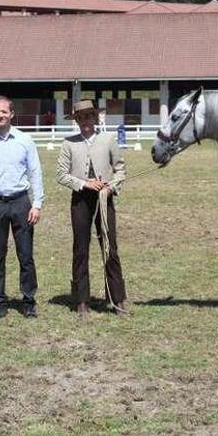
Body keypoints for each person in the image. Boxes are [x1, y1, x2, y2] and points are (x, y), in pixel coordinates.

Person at [0, 96, 44, 319]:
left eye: (5, 112)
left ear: (12, 114)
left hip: (21, 202)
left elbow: (35, 173)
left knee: (26, 255)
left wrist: (38, 203)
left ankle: (29, 300)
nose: (1, 115)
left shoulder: (25, 140)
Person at [56, 100, 128, 317]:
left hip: (104, 199)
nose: (85, 122)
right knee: (80, 248)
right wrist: (84, 183)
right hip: (80, 201)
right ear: (76, 121)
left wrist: (111, 186)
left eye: (88, 117)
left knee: (109, 247)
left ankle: (117, 299)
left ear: (95, 118)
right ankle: (81, 300)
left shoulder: (108, 139)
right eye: (80, 118)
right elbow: (61, 174)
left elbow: (120, 169)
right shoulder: (69, 143)